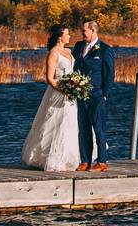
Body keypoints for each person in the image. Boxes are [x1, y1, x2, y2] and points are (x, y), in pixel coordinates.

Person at [21, 24, 97, 171]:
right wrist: (65, 90)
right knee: (57, 123)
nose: (69, 36)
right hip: (59, 93)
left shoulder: (69, 51)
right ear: (59, 36)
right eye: (67, 34)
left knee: (74, 124)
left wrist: (76, 86)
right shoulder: (53, 53)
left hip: (73, 93)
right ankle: (54, 158)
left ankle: (76, 158)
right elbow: (50, 78)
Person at [72, 19, 114, 172]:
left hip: (97, 95)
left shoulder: (104, 50)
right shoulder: (78, 46)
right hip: (80, 94)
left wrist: (104, 95)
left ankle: (102, 161)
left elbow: (109, 75)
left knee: (99, 128)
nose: (82, 33)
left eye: (84, 31)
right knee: (83, 129)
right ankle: (85, 161)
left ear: (93, 31)